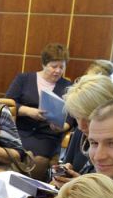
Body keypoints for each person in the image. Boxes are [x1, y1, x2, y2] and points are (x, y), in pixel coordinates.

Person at [5, 43, 72, 177]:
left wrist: (61, 127)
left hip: (48, 134)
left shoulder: (68, 87)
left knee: (37, 161)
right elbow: (8, 104)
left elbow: (71, 117)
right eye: (54, 66)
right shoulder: (24, 79)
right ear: (44, 64)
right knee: (12, 154)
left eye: (62, 67)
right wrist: (28, 111)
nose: (58, 71)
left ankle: (24, 186)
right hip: (21, 130)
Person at [51, 75, 113, 187]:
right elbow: (68, 164)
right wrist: (62, 174)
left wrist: (82, 185)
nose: (81, 126)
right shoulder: (80, 133)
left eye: (88, 118)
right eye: (77, 117)